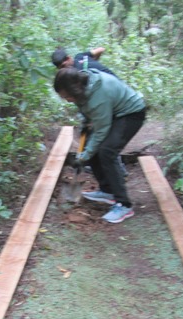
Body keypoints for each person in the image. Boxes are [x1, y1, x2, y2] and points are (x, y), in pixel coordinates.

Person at [54, 67, 146, 223]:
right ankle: (108, 190)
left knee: (107, 152)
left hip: (131, 113)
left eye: (67, 96)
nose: (67, 100)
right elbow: (87, 111)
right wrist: (86, 123)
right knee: (93, 148)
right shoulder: (82, 85)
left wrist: (84, 156)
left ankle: (124, 205)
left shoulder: (98, 97)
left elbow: (101, 131)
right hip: (113, 112)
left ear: (75, 91)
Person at [51, 47, 117, 77]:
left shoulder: (80, 57)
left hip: (111, 80)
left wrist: (93, 62)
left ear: (69, 58)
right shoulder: (80, 56)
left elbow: (101, 49)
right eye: (61, 68)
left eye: (64, 65)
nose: (64, 69)